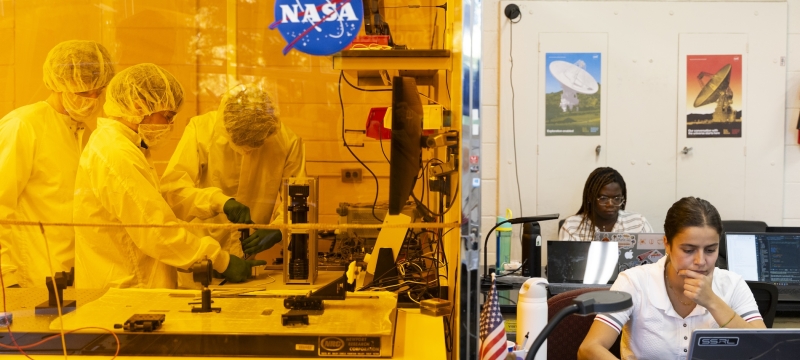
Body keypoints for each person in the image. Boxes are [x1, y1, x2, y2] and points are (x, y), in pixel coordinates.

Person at [73, 64, 265, 289]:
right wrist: (221, 260)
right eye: (167, 116)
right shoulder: (115, 152)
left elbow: (159, 207)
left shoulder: (126, 146)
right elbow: (156, 230)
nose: (170, 125)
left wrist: (216, 201)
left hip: (131, 286)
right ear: (138, 107)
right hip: (126, 290)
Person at [578, 197, 765, 360]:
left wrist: (713, 302)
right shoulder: (634, 282)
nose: (701, 261)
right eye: (689, 250)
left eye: (710, 250)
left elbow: (766, 348)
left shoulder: (732, 284)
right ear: (667, 244)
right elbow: (589, 349)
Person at [0, 40, 114, 287]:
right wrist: (7, 278)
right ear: (60, 83)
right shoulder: (24, 126)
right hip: (29, 280)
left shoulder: (83, 132)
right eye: (84, 92)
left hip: (73, 278)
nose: (92, 99)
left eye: (99, 91)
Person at [160, 84, 305, 261]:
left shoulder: (287, 142)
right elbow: (174, 192)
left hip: (248, 261)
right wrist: (219, 202)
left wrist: (279, 229)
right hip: (202, 258)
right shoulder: (202, 130)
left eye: (255, 144)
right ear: (225, 128)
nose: (247, 151)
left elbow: (299, 200)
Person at [559, 167, 653, 241]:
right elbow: (565, 264)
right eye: (603, 198)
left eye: (616, 198)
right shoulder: (571, 226)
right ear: (590, 197)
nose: (610, 204)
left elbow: (655, 260)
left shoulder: (638, 223)